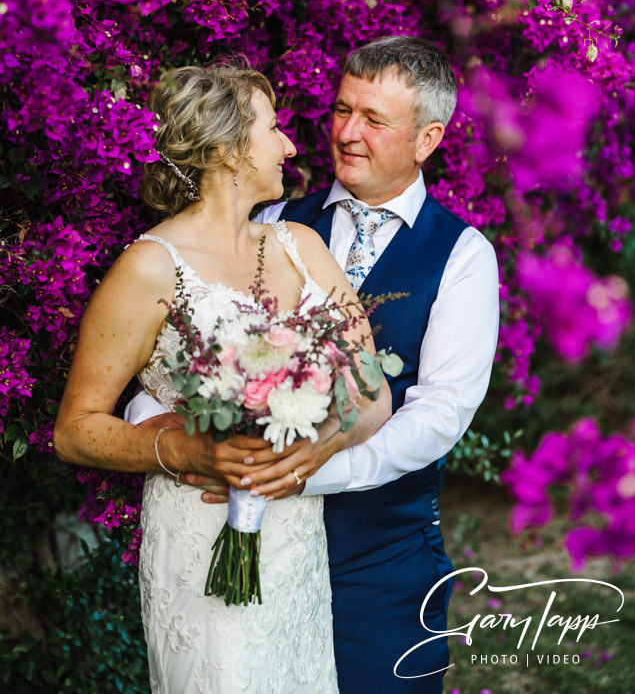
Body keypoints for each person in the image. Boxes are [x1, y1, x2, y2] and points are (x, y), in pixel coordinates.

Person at [130, 36, 500, 692]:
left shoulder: (463, 256)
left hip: (382, 563)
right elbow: (180, 355)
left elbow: (441, 413)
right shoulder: (273, 223)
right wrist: (184, 431)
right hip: (258, 554)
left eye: (375, 120)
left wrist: (312, 472)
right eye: (341, 110)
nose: (347, 133)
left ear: (427, 138)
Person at [53, 63, 392, 694]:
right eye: (273, 127)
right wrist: (177, 447)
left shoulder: (301, 246)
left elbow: (374, 391)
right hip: (198, 529)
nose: (291, 145)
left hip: (295, 533)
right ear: (229, 150)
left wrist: (313, 450)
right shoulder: (151, 268)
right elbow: (74, 430)